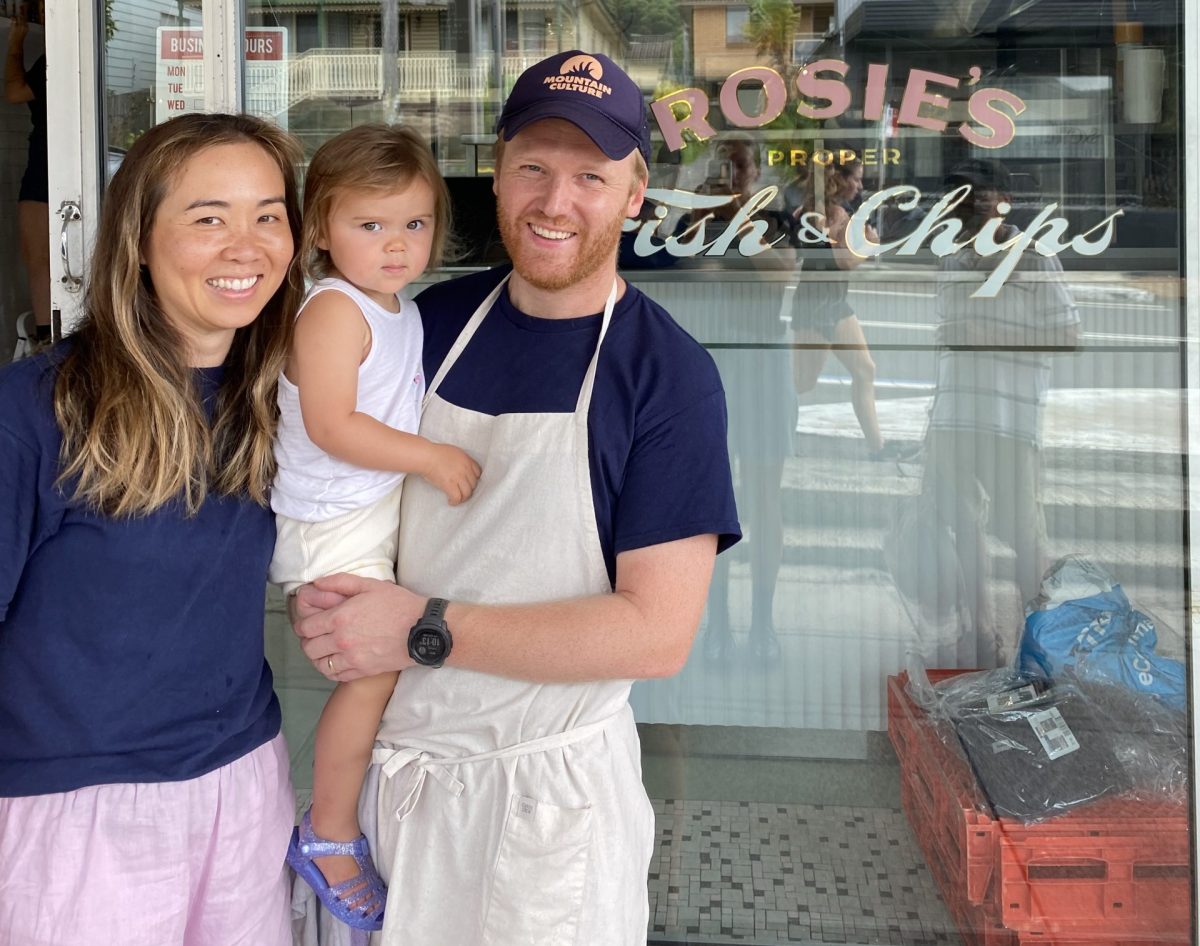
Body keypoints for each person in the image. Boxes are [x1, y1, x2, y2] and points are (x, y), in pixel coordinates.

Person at [291, 49, 741, 944]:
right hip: (390, 785)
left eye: (589, 176)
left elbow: (656, 634)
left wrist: (423, 626)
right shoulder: (426, 322)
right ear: (496, 174)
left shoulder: (666, 377)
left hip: (544, 816)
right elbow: (333, 461)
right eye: (532, 167)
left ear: (635, 189)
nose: (555, 201)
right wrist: (327, 585)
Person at [0, 112, 304, 945]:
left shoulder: (284, 404)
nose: (247, 247)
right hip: (72, 810)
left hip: (243, 783)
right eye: (209, 218)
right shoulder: (36, 411)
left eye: (268, 215)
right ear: (138, 239)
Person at [270, 123, 480, 933]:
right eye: (371, 225)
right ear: (320, 227)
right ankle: (327, 830)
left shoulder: (397, 305)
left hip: (364, 517)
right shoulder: (332, 309)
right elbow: (330, 423)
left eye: (415, 224)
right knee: (372, 675)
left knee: (386, 672)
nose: (396, 246)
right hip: (331, 522)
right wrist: (430, 458)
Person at [922, 158, 1079, 664]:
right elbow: (948, 340)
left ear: (1001, 203)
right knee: (962, 526)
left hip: (1009, 420)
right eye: (958, 204)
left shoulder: (1033, 256)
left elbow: (1067, 335)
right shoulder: (951, 255)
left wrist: (982, 337)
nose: (967, 213)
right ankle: (982, 634)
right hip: (954, 417)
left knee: (1023, 535)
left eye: (977, 201)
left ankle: (1038, 641)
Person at [789, 158, 897, 459]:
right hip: (818, 303)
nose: (860, 186)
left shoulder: (811, 210)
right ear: (840, 178)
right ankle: (766, 430)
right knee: (801, 382)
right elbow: (841, 261)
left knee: (865, 370)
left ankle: (878, 447)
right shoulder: (834, 213)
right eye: (857, 179)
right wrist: (869, 245)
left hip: (832, 301)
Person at [5, 0, 50, 349]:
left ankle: (47, 338)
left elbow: (13, 91)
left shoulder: (55, 60)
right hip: (56, 162)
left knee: (38, 258)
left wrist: (16, 40)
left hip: (44, 166)